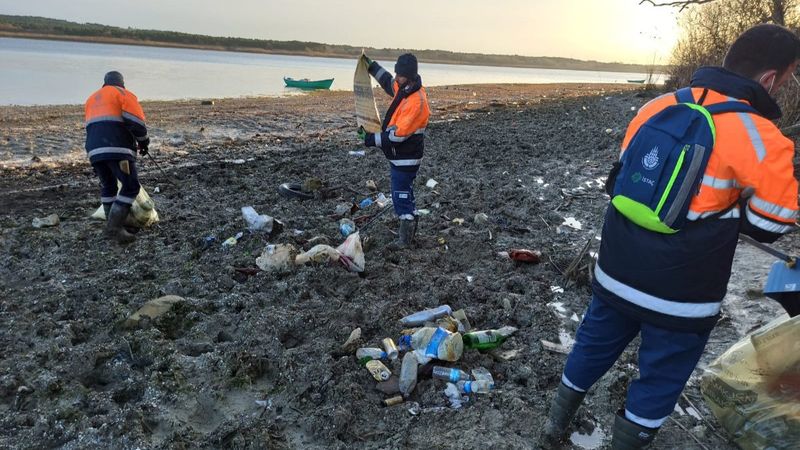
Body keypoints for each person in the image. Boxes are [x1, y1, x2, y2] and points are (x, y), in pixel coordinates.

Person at [541, 24, 800, 449]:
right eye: (788, 78)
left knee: (591, 345)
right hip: (682, 295)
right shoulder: (763, 138)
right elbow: (771, 226)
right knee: (661, 376)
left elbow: (623, 177)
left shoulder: (658, 106)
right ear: (770, 79)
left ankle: (552, 430)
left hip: (616, 270)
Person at [358, 53, 430, 248]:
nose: (397, 78)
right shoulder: (406, 89)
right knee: (405, 192)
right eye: (398, 73)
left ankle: (404, 241)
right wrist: (372, 67)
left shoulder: (416, 101)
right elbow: (388, 82)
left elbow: (397, 136)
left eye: (401, 75)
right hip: (402, 158)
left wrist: (370, 139)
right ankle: (409, 232)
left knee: (401, 195)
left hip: (406, 159)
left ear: (411, 75)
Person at [84, 71, 150, 244]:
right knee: (130, 186)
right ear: (122, 83)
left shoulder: (92, 99)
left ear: (104, 83)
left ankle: (111, 225)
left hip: (94, 151)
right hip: (117, 148)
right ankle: (114, 229)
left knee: (108, 186)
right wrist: (144, 143)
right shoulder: (123, 94)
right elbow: (137, 123)